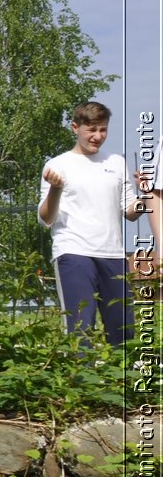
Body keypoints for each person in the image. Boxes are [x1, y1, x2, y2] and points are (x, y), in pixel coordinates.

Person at [39, 100, 152, 345]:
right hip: (74, 253)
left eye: (103, 129)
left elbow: (131, 212)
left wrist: (145, 194)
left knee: (123, 330)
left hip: (113, 255)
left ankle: (121, 380)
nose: (98, 136)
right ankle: (80, 382)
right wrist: (56, 189)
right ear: (75, 127)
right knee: (81, 327)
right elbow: (46, 218)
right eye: (91, 130)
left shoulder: (116, 163)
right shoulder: (57, 165)